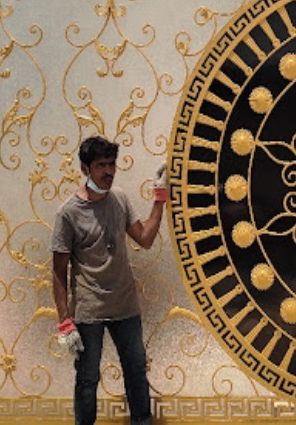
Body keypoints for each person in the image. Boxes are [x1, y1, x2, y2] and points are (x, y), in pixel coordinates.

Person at [51, 135, 168, 425]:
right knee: (87, 378)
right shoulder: (68, 213)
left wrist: (160, 196)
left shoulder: (119, 199)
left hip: (125, 305)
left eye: (111, 164)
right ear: (85, 168)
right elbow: (58, 271)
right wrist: (64, 320)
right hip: (89, 309)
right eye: (101, 165)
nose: (108, 171)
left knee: (136, 371)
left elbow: (145, 238)